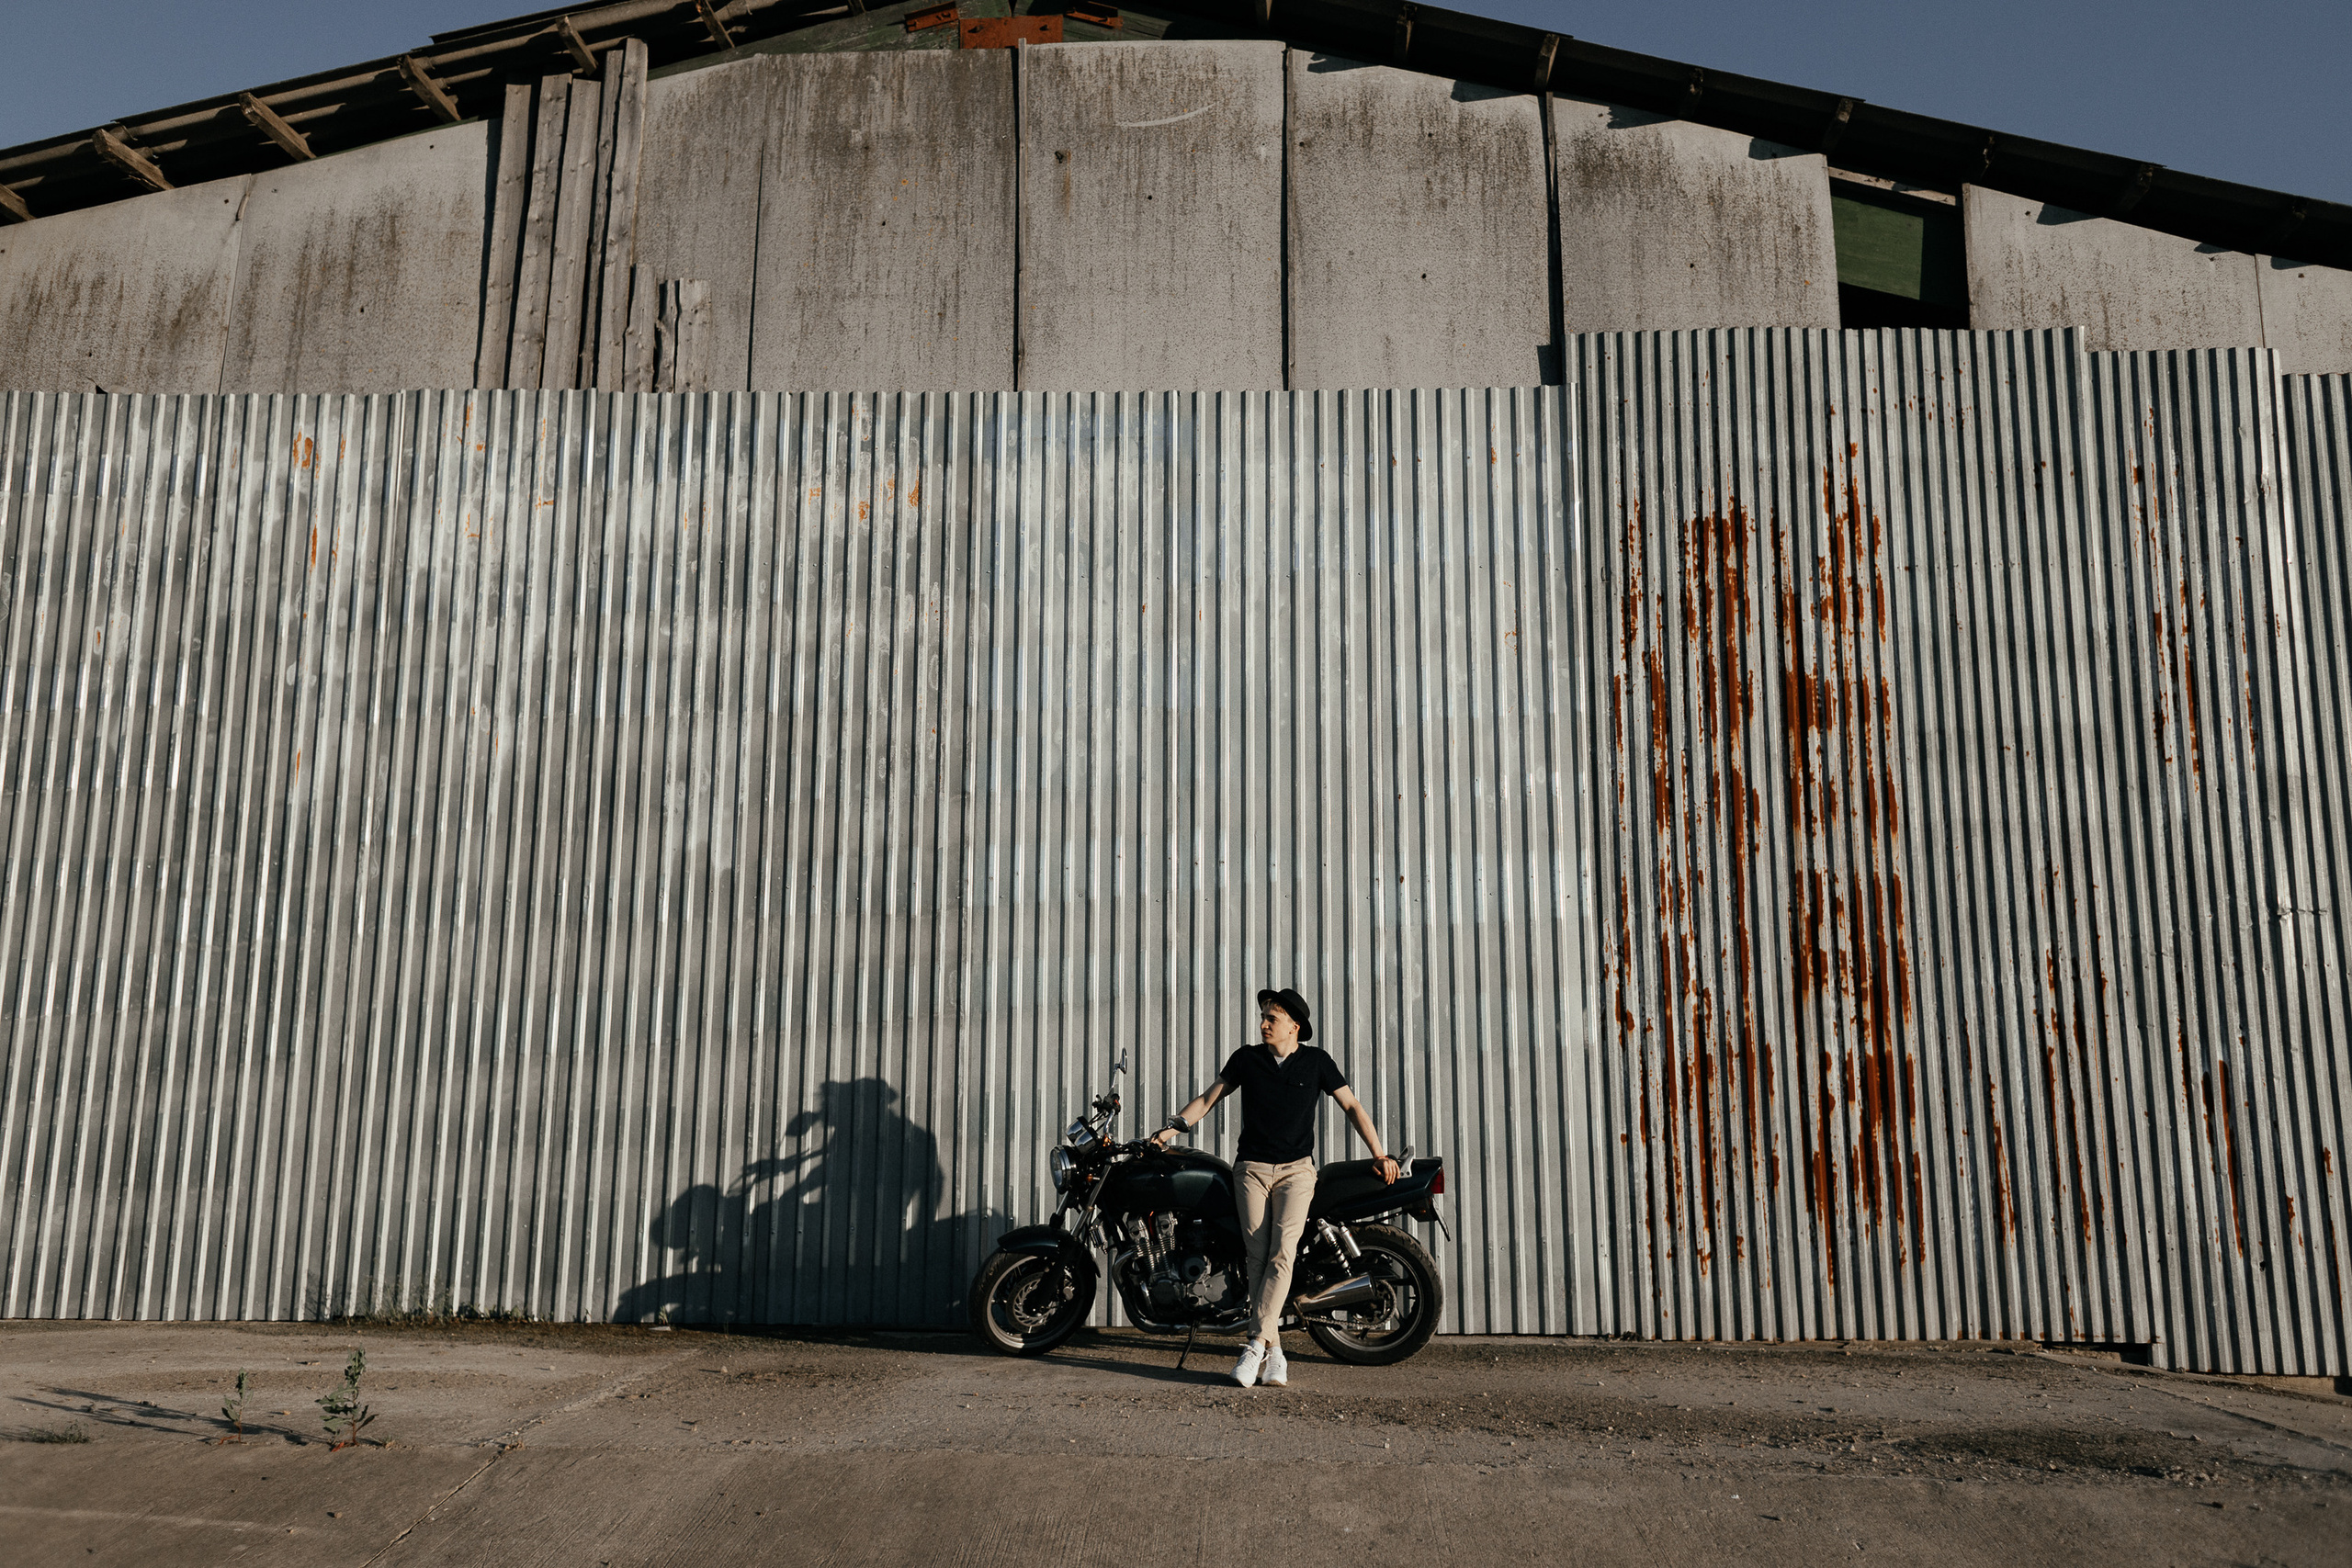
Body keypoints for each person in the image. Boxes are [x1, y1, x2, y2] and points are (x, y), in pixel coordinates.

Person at [1151, 987, 1397, 1389]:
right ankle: (1276, 1353)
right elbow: (1208, 1099)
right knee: (1256, 1258)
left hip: (1297, 1173)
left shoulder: (1317, 1062)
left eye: (1272, 1018)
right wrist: (1169, 1130)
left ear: (1294, 1027)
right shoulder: (1246, 1059)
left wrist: (1380, 1153)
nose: (1264, 1024)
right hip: (1251, 1170)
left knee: (1283, 1253)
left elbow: (1352, 1106)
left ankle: (1253, 1346)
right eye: (1263, 1017)